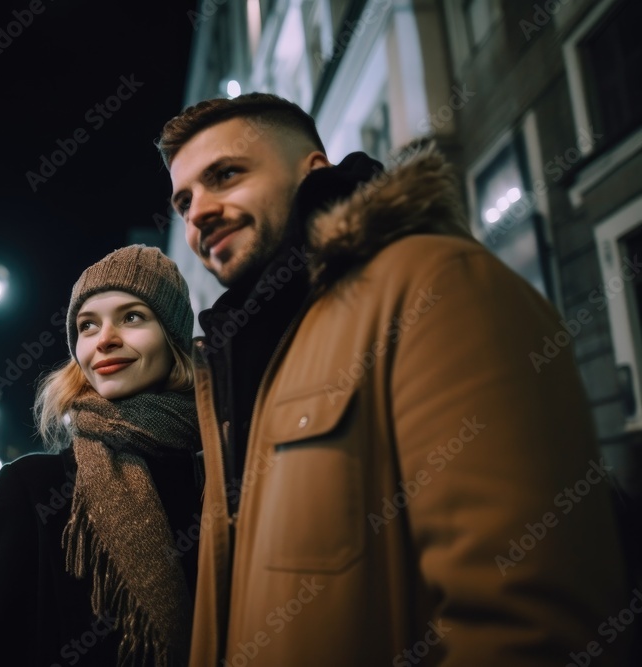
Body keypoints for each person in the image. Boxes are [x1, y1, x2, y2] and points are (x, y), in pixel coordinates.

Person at [157, 93, 633, 665]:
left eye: (226, 175)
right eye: (184, 202)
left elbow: (529, 619)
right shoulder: (253, 354)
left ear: (314, 171)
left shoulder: (431, 284)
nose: (199, 213)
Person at [0, 245, 203, 667]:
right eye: (87, 325)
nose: (105, 340)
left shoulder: (218, 470)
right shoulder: (31, 486)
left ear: (172, 336)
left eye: (132, 316)